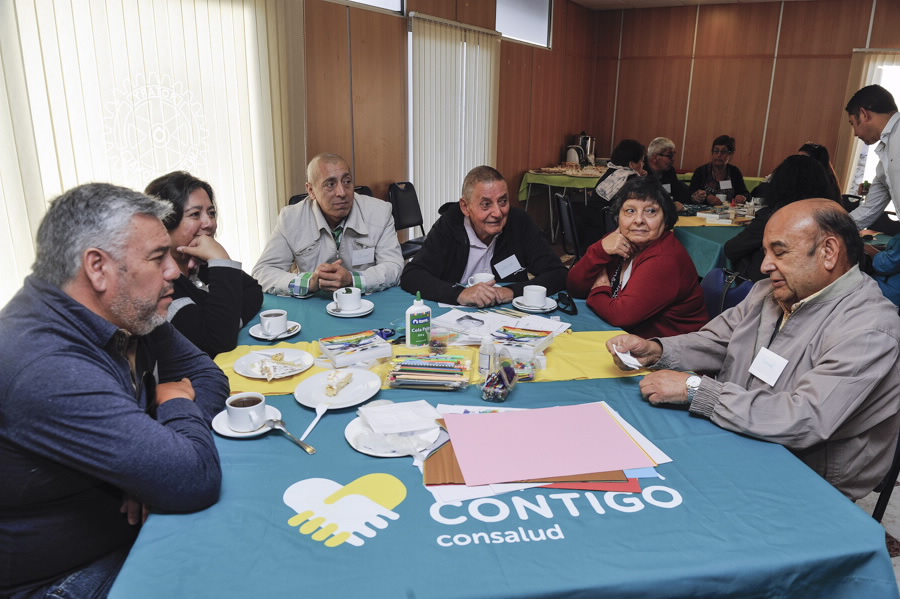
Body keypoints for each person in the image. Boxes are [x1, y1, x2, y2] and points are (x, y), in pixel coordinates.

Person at [0, 183, 229, 597]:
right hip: (61, 579)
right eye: (157, 257)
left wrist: (150, 461)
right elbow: (194, 478)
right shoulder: (44, 363)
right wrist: (174, 411)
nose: (173, 271)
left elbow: (207, 374)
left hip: (124, 535)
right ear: (98, 267)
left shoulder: (126, 310)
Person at [607, 199, 900, 500]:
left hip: (806, 479)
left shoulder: (869, 328)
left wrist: (697, 391)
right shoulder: (769, 292)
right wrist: (656, 350)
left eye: (780, 252)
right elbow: (717, 341)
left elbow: (805, 417)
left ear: (828, 251)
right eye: (766, 252)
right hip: (736, 434)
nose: (764, 265)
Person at [400, 165, 567, 307]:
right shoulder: (449, 225)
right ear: (465, 207)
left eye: (503, 201)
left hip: (509, 316)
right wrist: (460, 294)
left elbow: (558, 274)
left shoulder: (519, 222)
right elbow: (412, 275)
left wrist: (512, 291)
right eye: (486, 204)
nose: (497, 213)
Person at [568, 177, 708, 337]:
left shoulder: (664, 258)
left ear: (665, 219)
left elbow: (620, 316)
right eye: (630, 211)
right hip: (631, 337)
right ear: (618, 217)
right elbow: (575, 287)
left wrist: (599, 289)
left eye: (651, 211)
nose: (639, 220)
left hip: (670, 347)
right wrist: (599, 250)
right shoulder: (619, 240)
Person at [145, 171, 263, 356]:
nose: (209, 223)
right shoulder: (161, 285)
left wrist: (230, 322)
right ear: (164, 222)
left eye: (211, 213)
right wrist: (221, 260)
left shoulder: (199, 264)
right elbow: (217, 342)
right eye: (195, 214)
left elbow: (253, 291)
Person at [252, 153, 403, 296]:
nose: (342, 192)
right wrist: (309, 282)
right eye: (330, 184)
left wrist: (353, 280)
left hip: (365, 300)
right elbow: (263, 272)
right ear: (311, 190)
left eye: (347, 181)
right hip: (314, 302)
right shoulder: (290, 219)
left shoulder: (379, 212)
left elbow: (393, 266)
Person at [724, 154, 841, 281]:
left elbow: (732, 249)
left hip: (772, 284)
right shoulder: (831, 216)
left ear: (780, 184)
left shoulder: (776, 218)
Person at [845, 84, 900, 230]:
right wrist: (830, 230)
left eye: (852, 124)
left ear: (863, 114)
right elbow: (868, 210)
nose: (855, 134)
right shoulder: (885, 157)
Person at [577, 139, 646, 249]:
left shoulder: (611, 173)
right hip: (606, 240)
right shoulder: (631, 180)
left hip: (584, 236)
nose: (643, 165)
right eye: (641, 161)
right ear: (632, 164)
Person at [689, 135, 749, 206]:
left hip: (729, 210)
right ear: (712, 153)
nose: (719, 155)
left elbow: (746, 194)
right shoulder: (701, 171)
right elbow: (691, 193)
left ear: (730, 155)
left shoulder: (734, 172)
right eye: (716, 151)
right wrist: (706, 198)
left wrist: (743, 197)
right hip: (704, 211)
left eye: (723, 152)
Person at [645, 137, 690, 210]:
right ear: (655, 157)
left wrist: (693, 196)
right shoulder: (641, 171)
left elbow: (677, 192)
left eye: (674, 155)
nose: (673, 159)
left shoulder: (669, 171)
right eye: (670, 155)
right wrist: (668, 205)